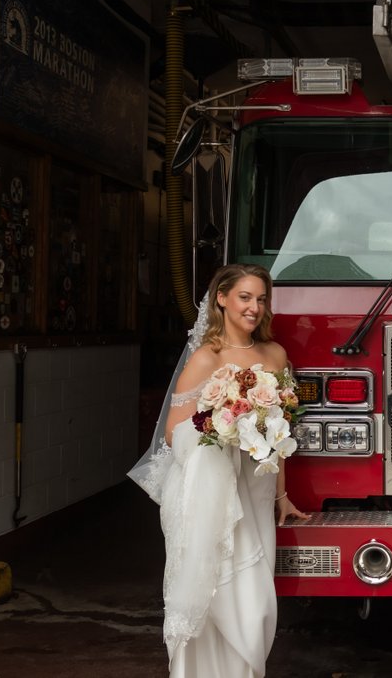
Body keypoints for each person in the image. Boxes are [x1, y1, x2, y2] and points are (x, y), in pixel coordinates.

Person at [129, 263, 310, 677]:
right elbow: (174, 433)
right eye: (245, 297)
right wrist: (228, 427)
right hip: (218, 497)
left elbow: (281, 436)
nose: (255, 307)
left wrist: (282, 496)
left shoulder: (276, 354)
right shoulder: (206, 358)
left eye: (261, 299)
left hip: (258, 492)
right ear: (222, 299)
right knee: (225, 593)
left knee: (258, 597)